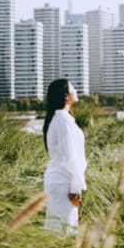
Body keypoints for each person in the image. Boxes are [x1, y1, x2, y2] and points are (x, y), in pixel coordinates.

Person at [42, 78, 87, 232]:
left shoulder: (61, 118)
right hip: (63, 183)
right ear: (66, 96)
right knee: (63, 231)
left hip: (61, 180)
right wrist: (76, 188)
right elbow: (70, 158)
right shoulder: (62, 120)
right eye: (73, 88)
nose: (76, 91)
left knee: (59, 228)